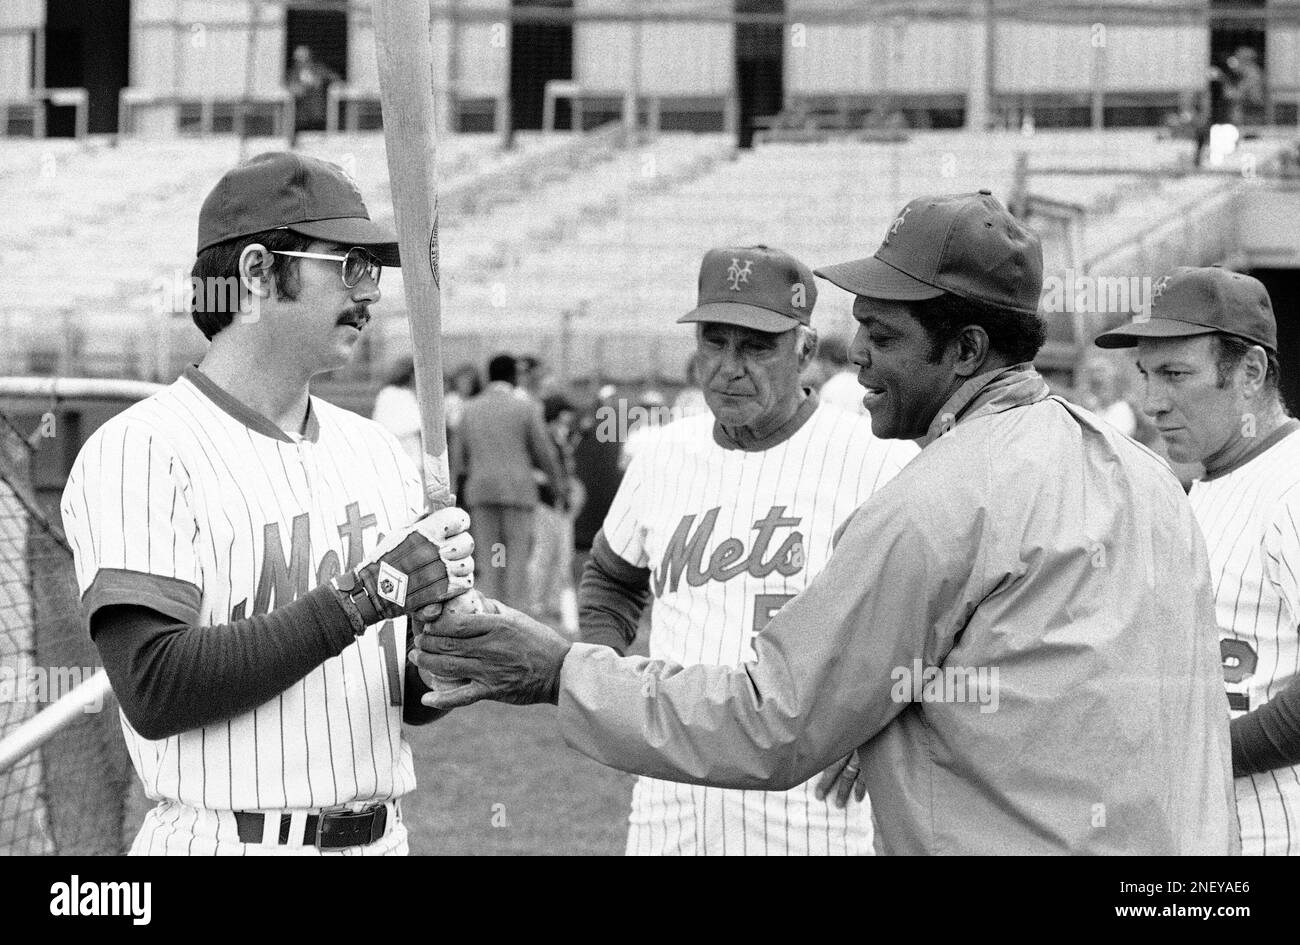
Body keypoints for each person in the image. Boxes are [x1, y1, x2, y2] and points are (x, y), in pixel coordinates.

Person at [415, 191, 1238, 855]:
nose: (860, 359)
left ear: (966, 349)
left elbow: (775, 719)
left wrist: (561, 671)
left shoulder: (935, 496)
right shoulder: (1151, 475)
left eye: (882, 335)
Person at [58, 151, 475, 855]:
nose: (370, 292)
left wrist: (446, 657)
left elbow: (381, 679)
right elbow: (157, 686)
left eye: (370, 269)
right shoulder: (140, 450)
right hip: (228, 839)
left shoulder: (376, 451)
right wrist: (369, 593)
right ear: (255, 273)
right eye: (347, 263)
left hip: (380, 835)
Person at [577, 245, 917, 855]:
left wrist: (899, 710)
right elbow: (611, 575)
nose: (729, 367)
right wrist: (603, 670)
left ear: (805, 351)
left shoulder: (877, 460)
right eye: (715, 341)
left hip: (813, 806)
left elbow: (942, 612)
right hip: (672, 797)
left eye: (756, 346)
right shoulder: (661, 455)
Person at [1095, 266, 1300, 855]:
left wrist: (1197, 756)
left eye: (1176, 374)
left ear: (1251, 372)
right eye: (1146, 374)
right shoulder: (1203, 484)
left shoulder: (1288, 490)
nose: (1152, 402)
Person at [454, 354, 568, 609]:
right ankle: (514, 613)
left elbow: (457, 457)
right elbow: (544, 452)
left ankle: (491, 609)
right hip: (518, 493)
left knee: (493, 555)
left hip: (483, 493)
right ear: (513, 377)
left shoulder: (469, 408)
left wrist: (452, 492)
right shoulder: (525, 408)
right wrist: (559, 485)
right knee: (516, 557)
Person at [372, 356, 422, 468]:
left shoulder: (407, 394)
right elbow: (386, 425)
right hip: (395, 452)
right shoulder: (390, 394)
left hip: (410, 452)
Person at [286, 46, 340, 147]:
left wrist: (322, 82)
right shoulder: (293, 73)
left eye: (303, 58)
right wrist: (295, 88)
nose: (300, 62)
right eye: (297, 59)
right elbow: (289, 87)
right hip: (301, 118)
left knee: (320, 144)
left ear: (309, 58)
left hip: (318, 115)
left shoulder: (319, 69)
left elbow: (336, 79)